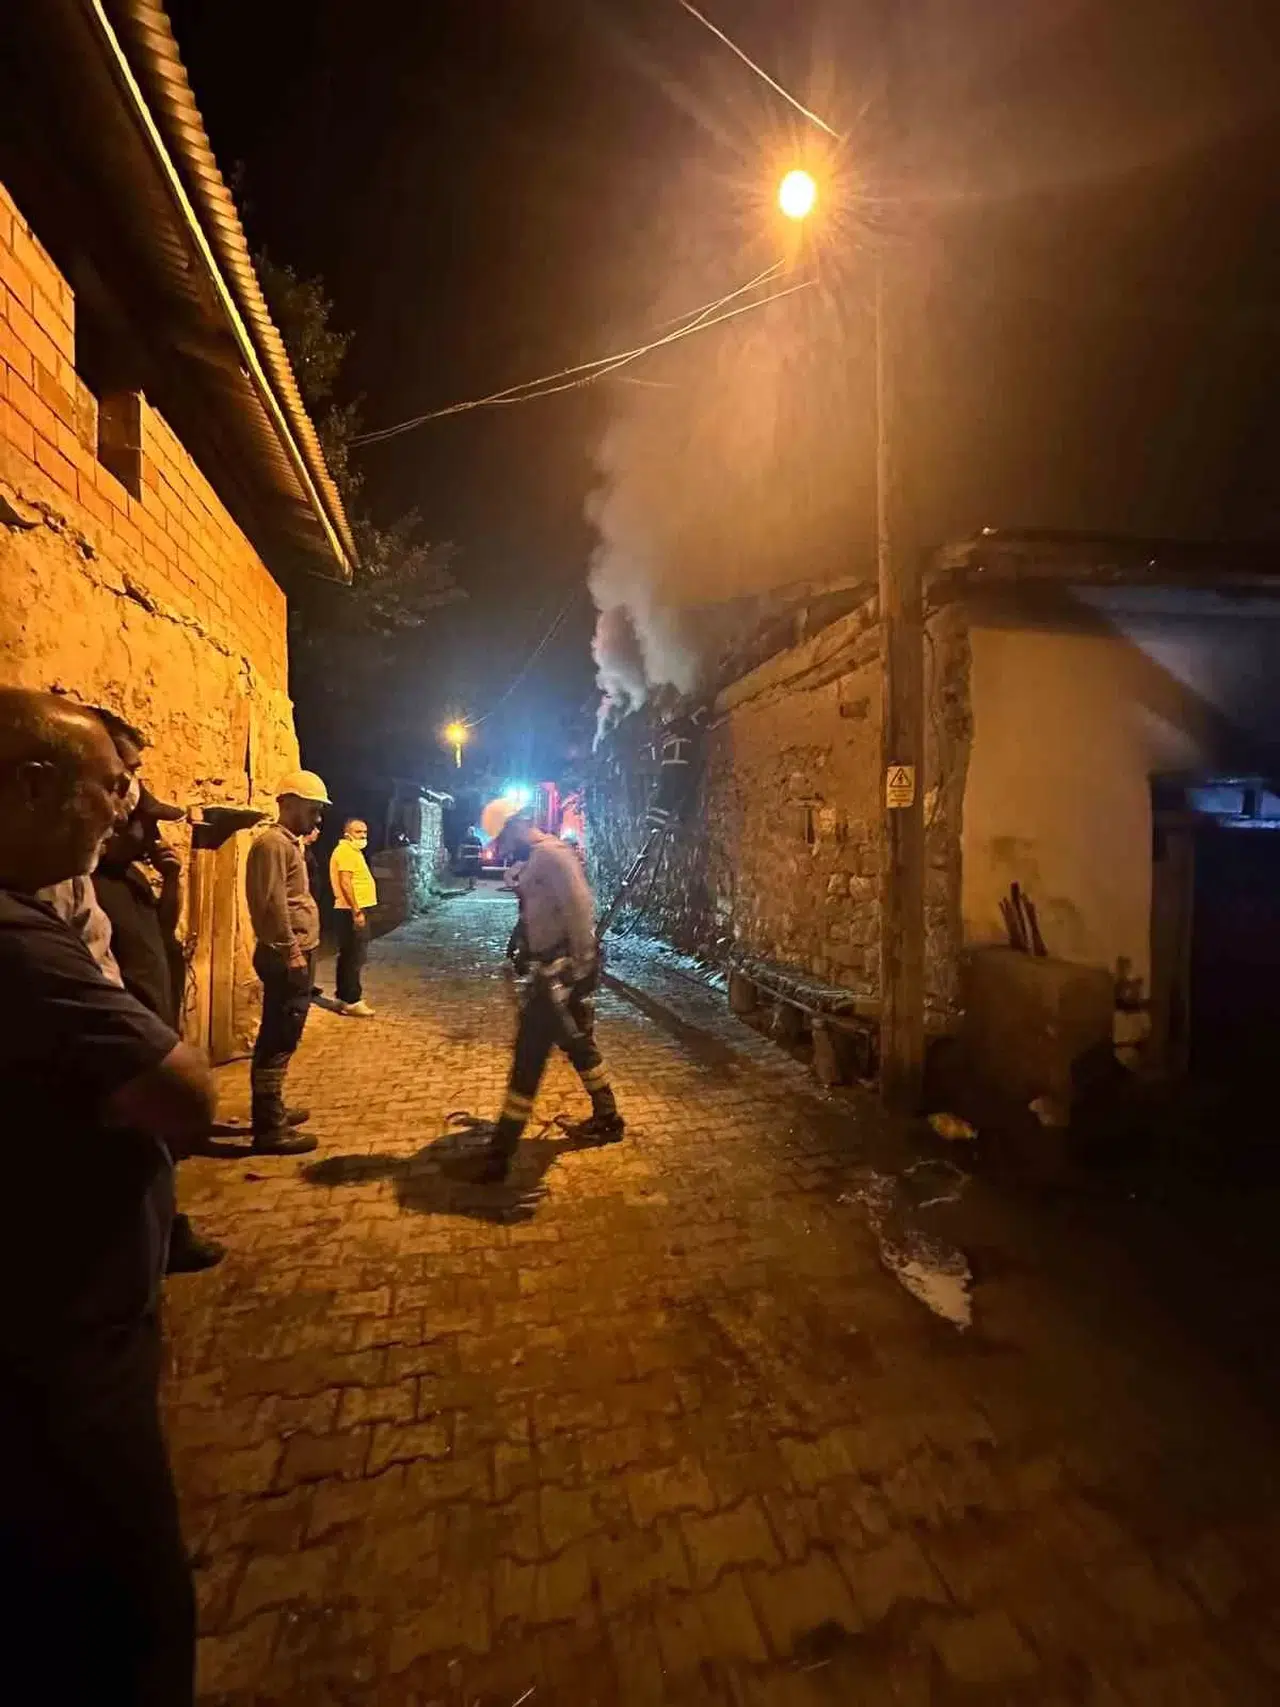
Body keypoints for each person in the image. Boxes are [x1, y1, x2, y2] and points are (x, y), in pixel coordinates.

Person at [0, 687, 214, 1705]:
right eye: (108, 787)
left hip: (67, 1314)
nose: (123, 807)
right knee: (127, 1620)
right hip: (58, 1340)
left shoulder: (54, 905)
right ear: (35, 785)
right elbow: (183, 1096)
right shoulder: (20, 944)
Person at [94, 786, 227, 1273]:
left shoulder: (129, 877)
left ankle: (165, 1232)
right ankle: (148, 1245)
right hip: (129, 1038)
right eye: (144, 825)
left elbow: (164, 927)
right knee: (138, 1146)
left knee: (155, 1147)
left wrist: (172, 878)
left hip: (155, 1016)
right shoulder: (87, 887)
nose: (153, 835)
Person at [478, 808, 624, 1183]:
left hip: (557, 973)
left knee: (529, 1057)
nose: (502, 847)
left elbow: (579, 909)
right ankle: (608, 1116)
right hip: (553, 970)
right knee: (579, 1045)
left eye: (502, 838)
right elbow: (537, 906)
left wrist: (579, 968)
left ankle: (499, 1155)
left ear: (516, 825)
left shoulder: (552, 855)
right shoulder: (537, 858)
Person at [244, 770, 330, 1154]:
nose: (317, 818)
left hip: (295, 950)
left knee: (285, 1034)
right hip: (286, 955)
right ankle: (269, 1127)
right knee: (278, 1037)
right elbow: (272, 905)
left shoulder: (287, 843)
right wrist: (291, 950)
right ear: (290, 804)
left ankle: (272, 1109)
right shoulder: (271, 845)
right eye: (312, 810)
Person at [330, 816, 377, 1017]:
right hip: (351, 910)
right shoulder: (346, 852)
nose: (363, 836)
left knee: (348, 955)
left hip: (350, 909)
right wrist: (356, 911)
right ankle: (352, 1000)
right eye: (358, 832)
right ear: (347, 833)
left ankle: (343, 997)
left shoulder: (351, 851)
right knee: (355, 956)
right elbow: (346, 882)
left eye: (365, 832)